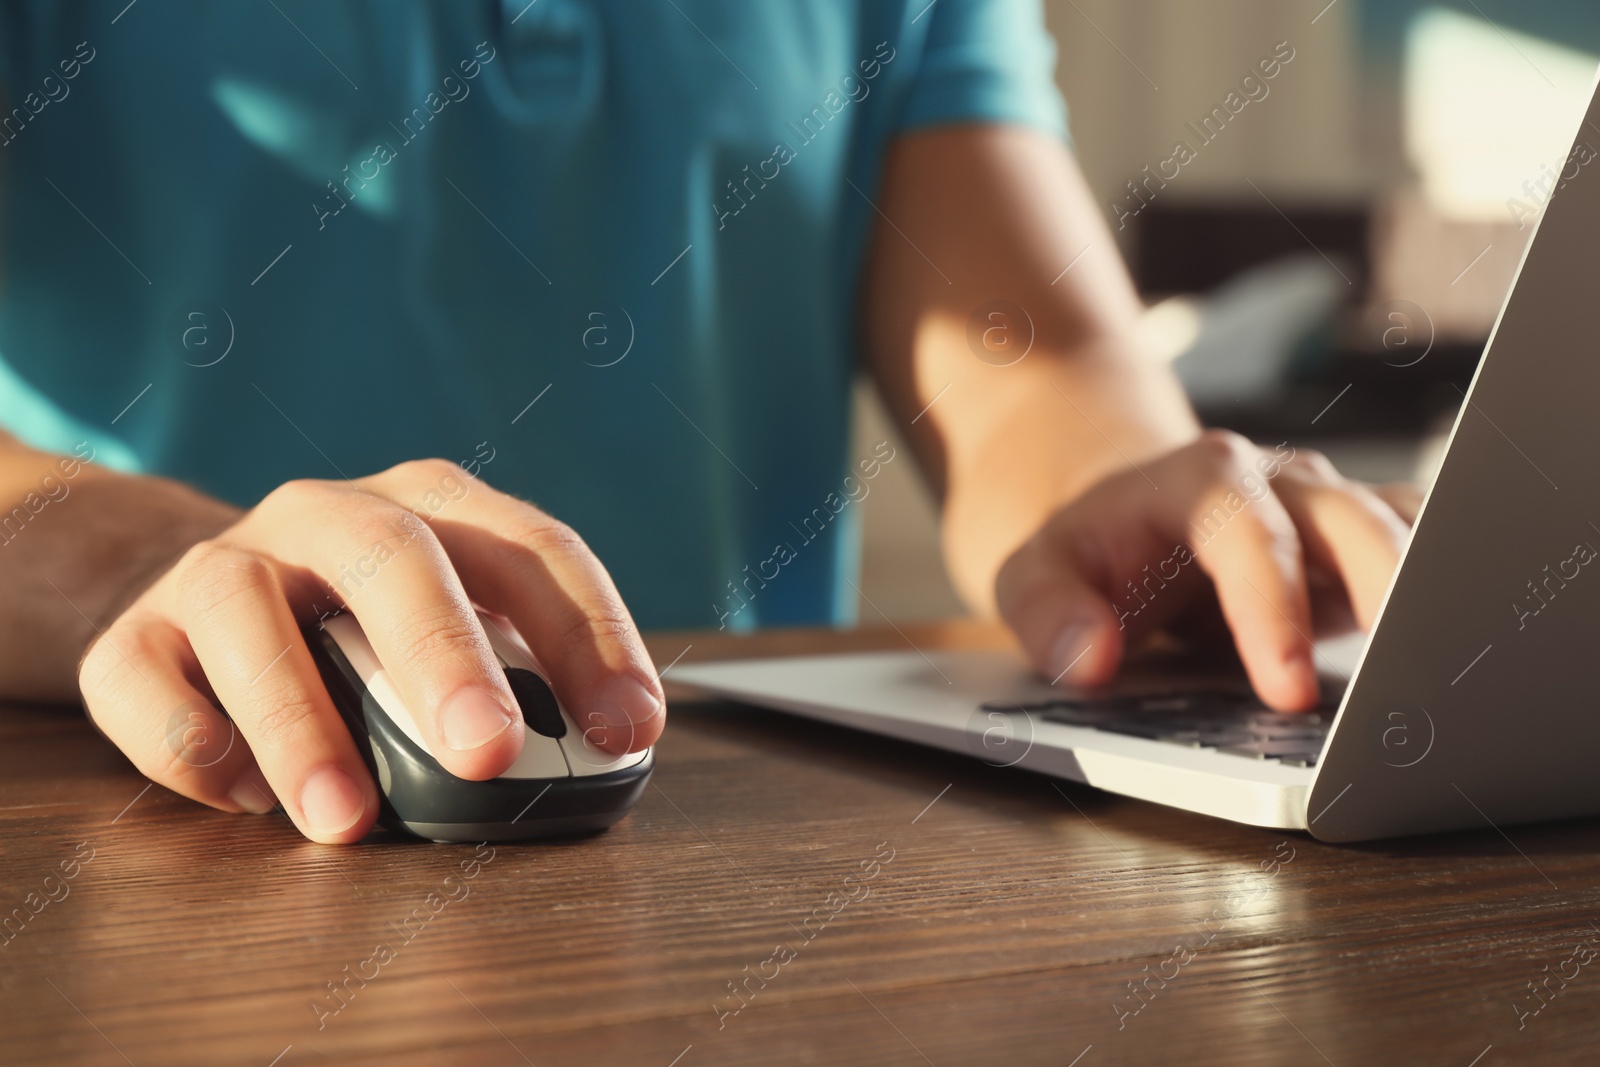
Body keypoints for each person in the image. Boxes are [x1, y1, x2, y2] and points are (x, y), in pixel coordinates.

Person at [0, 0, 1415, 843]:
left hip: (737, 844)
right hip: (180, 824)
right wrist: (127, 564)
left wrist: (1150, 503)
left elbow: (1030, 376)